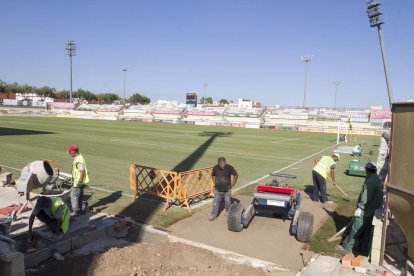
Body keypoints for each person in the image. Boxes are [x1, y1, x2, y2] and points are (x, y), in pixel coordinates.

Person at [336, 163, 384, 254]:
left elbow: (365, 197)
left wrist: (360, 208)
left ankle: (347, 246)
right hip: (373, 209)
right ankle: (362, 248)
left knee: (356, 228)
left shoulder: (369, 181)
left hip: (365, 209)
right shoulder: (377, 178)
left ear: (367, 170)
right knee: (366, 230)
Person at [67, 144, 89, 216]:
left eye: (70, 152)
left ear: (73, 151)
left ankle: (76, 212)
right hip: (80, 181)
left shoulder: (79, 160)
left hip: (78, 182)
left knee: (74, 196)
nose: (69, 153)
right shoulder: (78, 157)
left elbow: (82, 171)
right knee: (80, 196)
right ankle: (81, 210)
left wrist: (79, 181)